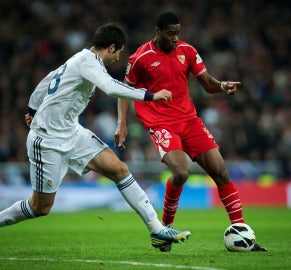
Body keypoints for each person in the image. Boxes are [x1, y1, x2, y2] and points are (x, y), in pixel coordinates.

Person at [0, 23, 191, 256]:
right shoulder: (87, 62)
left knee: (119, 168)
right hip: (47, 140)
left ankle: (156, 229)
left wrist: (33, 108)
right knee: (40, 207)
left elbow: (46, 81)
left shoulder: (80, 59)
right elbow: (110, 87)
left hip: (73, 132)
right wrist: (150, 95)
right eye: (118, 52)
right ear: (111, 47)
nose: (118, 58)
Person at [114, 12, 267, 252]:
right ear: (158, 32)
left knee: (220, 171)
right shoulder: (141, 57)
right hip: (160, 122)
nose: (176, 38)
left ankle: (241, 231)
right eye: (170, 33)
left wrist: (221, 86)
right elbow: (124, 90)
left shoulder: (188, 51)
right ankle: (165, 227)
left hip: (189, 120)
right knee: (181, 171)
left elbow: (206, 82)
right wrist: (122, 122)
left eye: (178, 33)